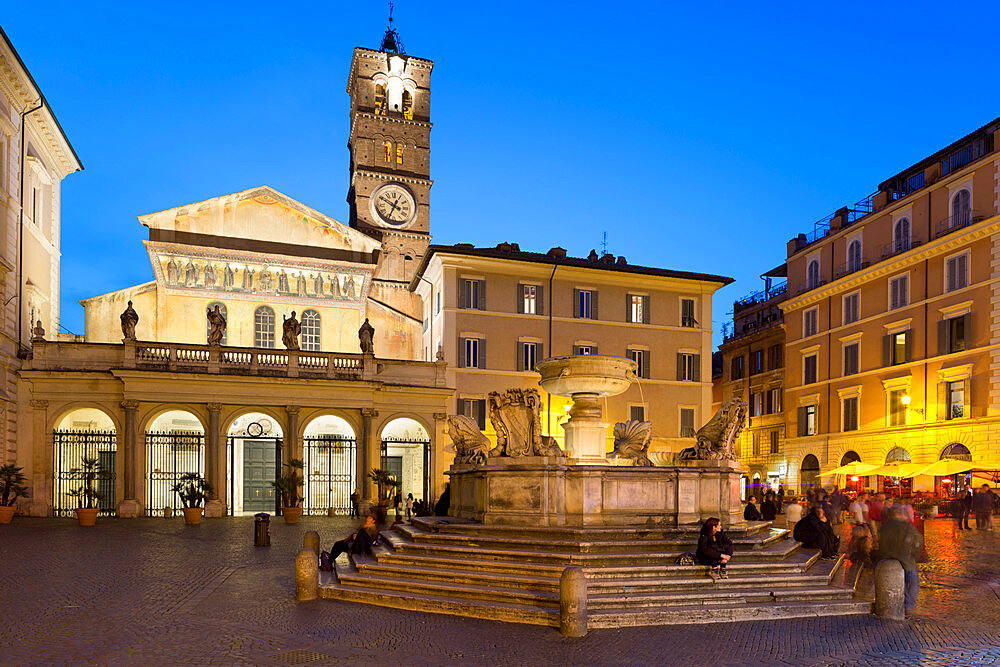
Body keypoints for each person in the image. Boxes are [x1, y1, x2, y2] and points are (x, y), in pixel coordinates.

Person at [878, 505, 923, 613]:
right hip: (906, 560)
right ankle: (909, 604)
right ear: (898, 514)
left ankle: (907, 603)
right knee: (913, 582)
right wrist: (914, 555)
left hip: (887, 559)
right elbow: (918, 541)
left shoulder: (883, 528)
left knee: (902, 584)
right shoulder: (906, 527)